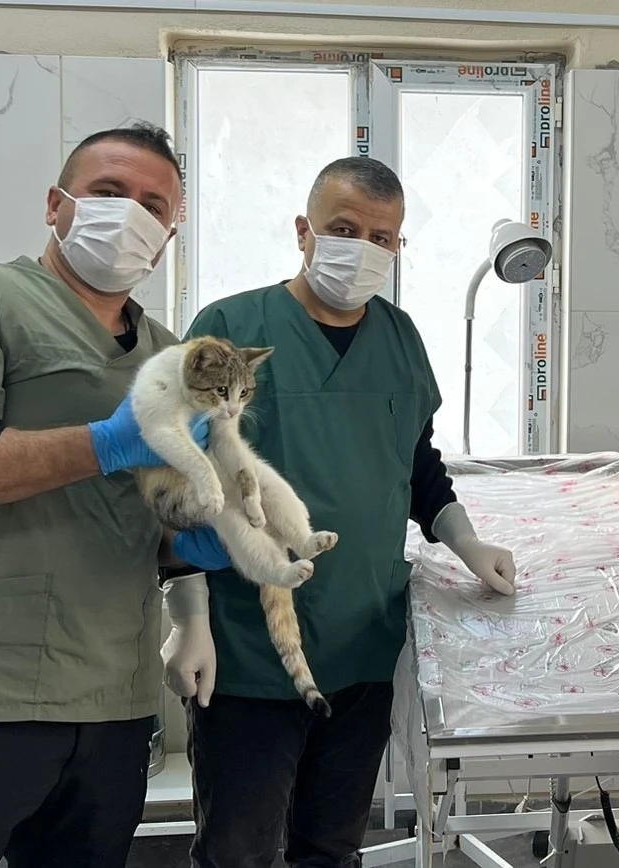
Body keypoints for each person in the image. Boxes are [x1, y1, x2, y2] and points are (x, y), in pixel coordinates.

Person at [161, 156, 517, 868]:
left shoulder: (400, 338)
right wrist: (188, 615)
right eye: (345, 229)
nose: (364, 249)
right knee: (237, 851)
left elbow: (417, 463)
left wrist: (466, 540)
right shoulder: (230, 328)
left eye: (382, 238)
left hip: (361, 647)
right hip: (248, 650)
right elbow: (180, 481)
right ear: (305, 231)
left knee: (332, 849)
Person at [0, 122, 209, 866]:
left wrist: (197, 565)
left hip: (116, 694)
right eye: (108, 192)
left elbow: (157, 519)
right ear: (57, 205)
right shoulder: (1, 300)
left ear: (167, 238)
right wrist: (106, 442)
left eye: (153, 206)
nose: (130, 216)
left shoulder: (169, 354)